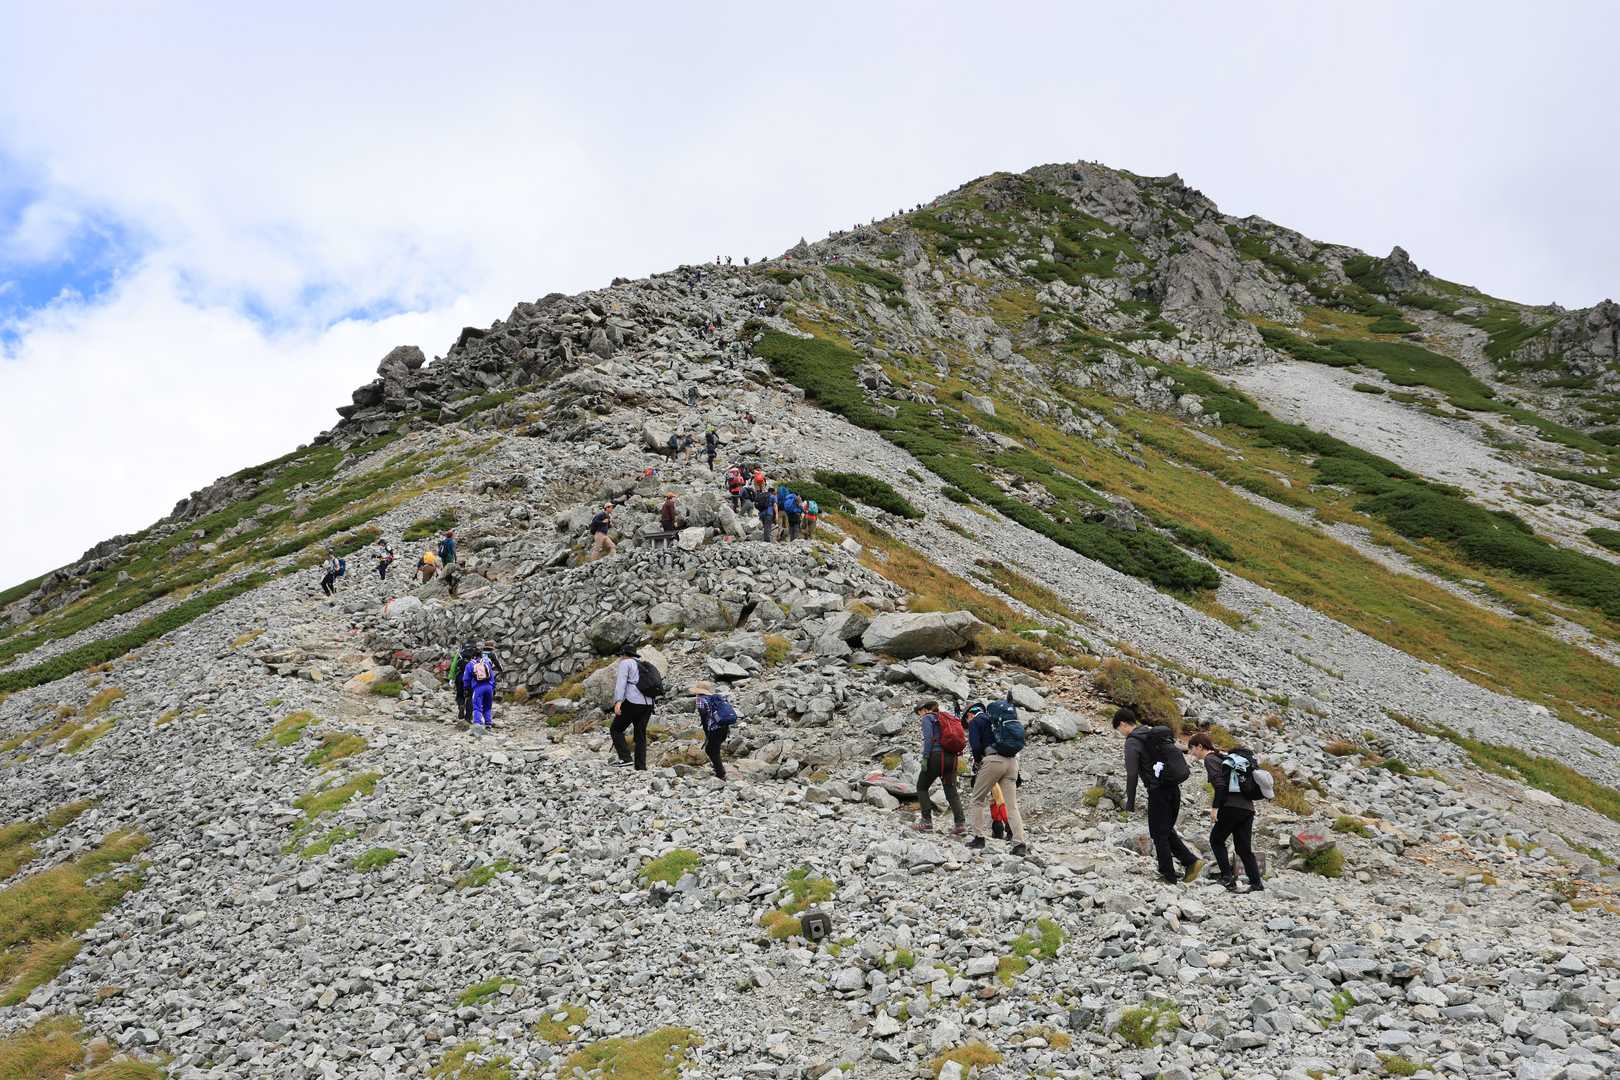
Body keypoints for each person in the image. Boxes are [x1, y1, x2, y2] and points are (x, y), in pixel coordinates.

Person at [1115, 707, 1205, 885]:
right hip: (1173, 789)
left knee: (1158, 833)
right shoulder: (1151, 735)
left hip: (1158, 792)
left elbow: (1132, 773)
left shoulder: (1132, 742)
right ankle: (1190, 862)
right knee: (1165, 830)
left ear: (1123, 724)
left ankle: (1168, 875)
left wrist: (1130, 802)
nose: (1120, 733)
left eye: (1118, 729)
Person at [1188, 733, 1265, 893]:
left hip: (1231, 807)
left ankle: (1227, 878)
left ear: (1200, 746)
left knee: (1216, 840)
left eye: (1192, 749)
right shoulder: (1223, 758)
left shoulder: (1210, 760)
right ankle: (1256, 883)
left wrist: (1215, 808)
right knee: (1243, 848)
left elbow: (1220, 786)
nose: (1191, 753)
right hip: (1247, 808)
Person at [965, 696, 1027, 856]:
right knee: (1011, 805)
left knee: (977, 799)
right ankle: (1019, 844)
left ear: (969, 715)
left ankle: (979, 838)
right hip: (1012, 762)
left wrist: (978, 763)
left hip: (993, 761)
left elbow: (976, 746)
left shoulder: (975, 721)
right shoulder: (997, 721)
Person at [911, 702, 966, 834]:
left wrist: (925, 757)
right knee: (951, 791)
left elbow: (928, 738)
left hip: (936, 757)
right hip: (952, 758)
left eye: (919, 713)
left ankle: (926, 822)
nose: (920, 715)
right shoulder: (945, 718)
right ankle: (960, 825)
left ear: (924, 709)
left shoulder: (927, 718)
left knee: (922, 787)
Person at [610, 642, 656, 770]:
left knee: (616, 729)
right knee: (640, 734)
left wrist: (618, 701)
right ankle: (641, 766)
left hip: (633, 701)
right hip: (648, 703)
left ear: (624, 654)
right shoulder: (642, 665)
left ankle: (625, 758)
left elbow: (621, 683)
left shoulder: (625, 663)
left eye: (621, 655)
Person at [691, 681, 736, 779]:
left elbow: (704, 716)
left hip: (714, 729)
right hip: (724, 726)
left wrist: (706, 730)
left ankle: (720, 774)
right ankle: (718, 769)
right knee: (713, 749)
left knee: (711, 750)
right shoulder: (714, 698)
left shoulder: (700, 699)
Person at [460, 646, 497, 735]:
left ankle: (477, 724)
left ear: (473, 656)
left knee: (477, 706)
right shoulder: (487, 662)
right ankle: (488, 724)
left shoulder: (470, 664)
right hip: (489, 687)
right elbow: (492, 676)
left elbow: (466, 678)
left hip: (478, 687)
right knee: (487, 707)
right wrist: (493, 687)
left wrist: (466, 688)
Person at [449, 642, 475, 725]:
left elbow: (453, 666)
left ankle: (461, 705)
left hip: (460, 677)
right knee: (470, 697)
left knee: (460, 695)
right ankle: (468, 718)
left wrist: (451, 678)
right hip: (470, 678)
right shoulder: (474, 654)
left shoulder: (459, 654)